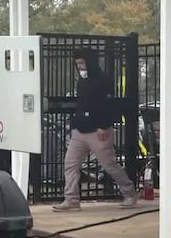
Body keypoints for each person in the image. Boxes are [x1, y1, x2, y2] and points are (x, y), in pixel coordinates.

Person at [52, 48, 138, 211]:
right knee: (70, 164)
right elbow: (82, 103)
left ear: (90, 62)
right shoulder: (82, 81)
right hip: (80, 130)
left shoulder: (103, 80)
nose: (80, 66)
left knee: (109, 164)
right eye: (77, 63)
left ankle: (129, 192)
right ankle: (71, 199)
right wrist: (75, 125)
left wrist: (103, 126)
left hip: (98, 131)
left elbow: (107, 105)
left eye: (82, 63)